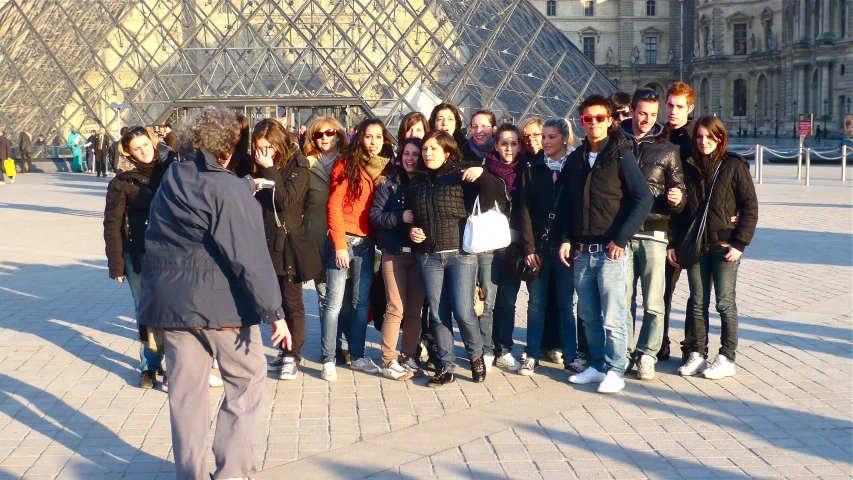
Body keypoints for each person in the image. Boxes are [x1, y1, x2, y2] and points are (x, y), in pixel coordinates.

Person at [138, 106, 291, 480]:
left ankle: (190, 474)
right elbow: (249, 257)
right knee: (247, 380)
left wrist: (240, 189)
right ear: (230, 145)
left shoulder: (174, 175)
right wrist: (276, 311)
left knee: (186, 395)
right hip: (221, 306)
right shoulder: (226, 187)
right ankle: (232, 471)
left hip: (171, 305)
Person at [558, 94, 652, 394]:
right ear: (581, 122)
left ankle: (615, 369)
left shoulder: (621, 154)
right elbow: (567, 205)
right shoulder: (575, 159)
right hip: (583, 250)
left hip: (611, 251)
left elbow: (644, 198)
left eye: (599, 118)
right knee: (588, 314)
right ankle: (597, 365)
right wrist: (565, 239)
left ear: (611, 120)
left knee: (613, 315)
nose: (593, 123)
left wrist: (621, 239)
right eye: (588, 119)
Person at [406, 130, 504, 387]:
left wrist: (484, 175)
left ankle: (475, 356)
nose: (427, 154)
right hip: (428, 257)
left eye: (433, 149)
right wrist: (411, 231)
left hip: (460, 255)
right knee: (437, 316)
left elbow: (496, 196)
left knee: (464, 311)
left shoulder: (461, 175)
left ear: (447, 152)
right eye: (425, 149)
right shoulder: (416, 182)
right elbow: (414, 219)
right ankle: (446, 367)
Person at [674, 115, 758, 379]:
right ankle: (697, 353)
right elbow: (682, 213)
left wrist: (739, 243)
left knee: (724, 304)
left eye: (709, 137)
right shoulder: (689, 166)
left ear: (720, 138)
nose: (703, 142)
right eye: (699, 137)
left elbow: (750, 208)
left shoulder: (734, 165)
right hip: (697, 246)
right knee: (698, 303)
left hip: (724, 247)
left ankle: (726, 357)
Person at [511, 117, 586, 376]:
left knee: (567, 304)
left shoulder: (576, 166)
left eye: (551, 137)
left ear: (565, 138)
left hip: (566, 247)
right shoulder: (532, 167)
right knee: (536, 303)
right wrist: (529, 248)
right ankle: (531, 355)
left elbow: (576, 209)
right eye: (544, 136)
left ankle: (571, 356)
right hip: (539, 248)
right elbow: (524, 210)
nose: (545, 141)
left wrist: (569, 239)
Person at [619, 88, 686, 381]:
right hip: (621, 233)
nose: (647, 119)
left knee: (654, 301)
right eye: (642, 113)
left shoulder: (669, 149)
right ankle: (624, 352)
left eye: (652, 114)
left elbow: (680, 187)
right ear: (632, 111)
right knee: (622, 300)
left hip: (655, 232)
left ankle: (647, 354)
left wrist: (677, 198)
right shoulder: (616, 142)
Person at [103, 126, 177, 388]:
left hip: (172, 252)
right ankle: (149, 365)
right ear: (128, 152)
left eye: (146, 144)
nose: (144, 151)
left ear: (153, 142)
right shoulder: (122, 181)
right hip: (138, 254)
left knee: (172, 309)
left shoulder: (173, 169)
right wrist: (116, 265)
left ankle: (175, 365)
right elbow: (112, 224)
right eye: (137, 148)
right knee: (144, 311)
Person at [321, 118, 395, 381]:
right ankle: (328, 358)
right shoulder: (347, 164)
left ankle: (358, 354)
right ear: (360, 138)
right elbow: (334, 206)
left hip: (367, 242)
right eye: (368, 137)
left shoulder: (385, 168)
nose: (373, 142)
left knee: (360, 303)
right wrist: (340, 244)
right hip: (344, 241)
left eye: (378, 137)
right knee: (334, 303)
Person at [278, 116, 352, 371]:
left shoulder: (350, 161)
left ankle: (344, 342)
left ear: (339, 134)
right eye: (318, 135)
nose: (324, 138)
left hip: (347, 231)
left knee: (347, 296)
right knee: (324, 294)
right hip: (317, 233)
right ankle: (332, 347)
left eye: (329, 133)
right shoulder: (306, 164)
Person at [251, 119, 313, 381]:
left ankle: (292, 355)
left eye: (269, 147)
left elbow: (287, 200)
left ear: (279, 144)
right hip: (262, 240)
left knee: (292, 301)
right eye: (259, 148)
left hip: (286, 243)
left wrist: (269, 170)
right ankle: (283, 349)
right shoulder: (256, 163)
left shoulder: (298, 165)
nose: (264, 153)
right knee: (272, 301)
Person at [460, 124, 522, 373]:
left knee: (508, 303)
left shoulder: (524, 171)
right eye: (504, 143)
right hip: (488, 245)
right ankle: (486, 349)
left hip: (514, 246)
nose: (509, 148)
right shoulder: (483, 172)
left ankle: (504, 349)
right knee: (488, 302)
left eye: (514, 143)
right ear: (495, 145)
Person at [369, 137, 426, 381]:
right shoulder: (389, 184)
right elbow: (375, 217)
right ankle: (388, 360)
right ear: (400, 156)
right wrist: (400, 216)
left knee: (415, 310)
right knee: (396, 308)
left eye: (415, 154)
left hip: (420, 255)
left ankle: (408, 355)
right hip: (394, 254)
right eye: (406, 154)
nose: (410, 158)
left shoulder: (427, 183)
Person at [662, 81, 696, 361]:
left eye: (679, 106)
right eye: (670, 105)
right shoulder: (660, 137)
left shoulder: (699, 139)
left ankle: (692, 347)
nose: (673, 111)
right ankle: (660, 345)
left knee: (697, 294)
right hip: (668, 225)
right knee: (663, 292)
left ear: (690, 109)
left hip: (693, 225)